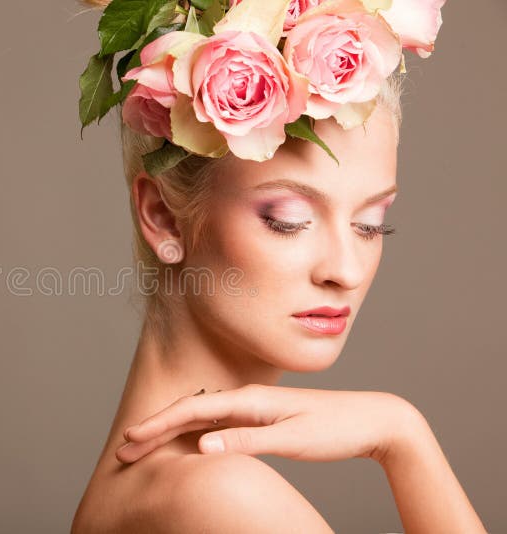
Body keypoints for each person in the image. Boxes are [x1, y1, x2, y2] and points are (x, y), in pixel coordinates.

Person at [71, 0, 487, 532]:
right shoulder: (221, 497)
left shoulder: (152, 487)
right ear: (164, 217)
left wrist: (401, 434)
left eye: (370, 224)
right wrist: (405, 440)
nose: (346, 270)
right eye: (288, 219)